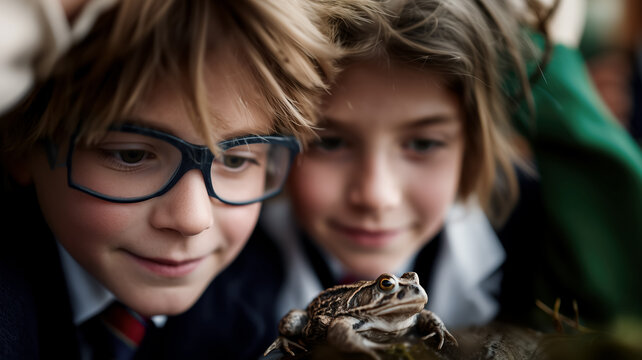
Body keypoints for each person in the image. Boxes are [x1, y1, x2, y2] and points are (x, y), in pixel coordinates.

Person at [256, 0, 642, 337]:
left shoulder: (524, 239)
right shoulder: (229, 260)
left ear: (473, 144)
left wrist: (532, 52)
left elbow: (621, 253)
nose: (376, 195)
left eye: (423, 144)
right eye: (330, 142)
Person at [0, 0, 340, 359]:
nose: (193, 220)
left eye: (235, 159)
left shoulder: (259, 300)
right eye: (131, 155)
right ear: (20, 147)